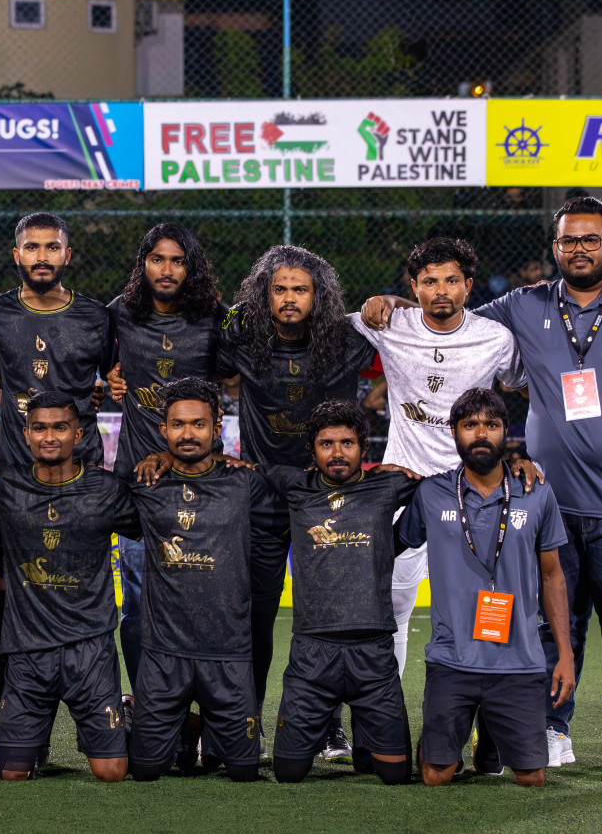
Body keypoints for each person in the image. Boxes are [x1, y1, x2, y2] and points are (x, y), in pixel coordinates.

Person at [365, 195, 602, 771]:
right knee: (545, 620)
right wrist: (397, 303)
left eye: (591, 239)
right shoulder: (524, 304)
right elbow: (449, 317)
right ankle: (552, 726)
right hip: (547, 501)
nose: (579, 249)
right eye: (568, 240)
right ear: (555, 247)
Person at [214, 245, 374, 760]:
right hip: (261, 498)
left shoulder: (347, 340)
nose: (288, 298)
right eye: (278, 289)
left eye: (299, 289)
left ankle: (327, 725)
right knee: (255, 618)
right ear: (264, 294)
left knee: (328, 616)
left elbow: (412, 328)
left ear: (318, 295)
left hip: (326, 498)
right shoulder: (243, 337)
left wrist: (389, 299)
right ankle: (247, 721)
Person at [348, 236, 523, 676]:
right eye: (429, 281)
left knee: (482, 617)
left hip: (473, 495)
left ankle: (485, 733)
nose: (440, 290)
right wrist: (378, 301)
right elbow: (317, 330)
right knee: (391, 617)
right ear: (414, 285)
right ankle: (385, 729)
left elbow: (528, 385)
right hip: (403, 491)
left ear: (468, 286)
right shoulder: (389, 324)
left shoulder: (495, 338)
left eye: (451, 280)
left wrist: (530, 452)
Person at [396, 389, 576, 787]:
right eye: (470, 425)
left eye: (491, 425)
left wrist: (564, 654)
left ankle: (488, 734)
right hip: (451, 657)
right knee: (434, 776)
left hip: (518, 660)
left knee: (532, 779)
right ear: (455, 433)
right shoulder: (432, 493)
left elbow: (553, 576)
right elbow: (391, 543)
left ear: (505, 432)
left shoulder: (535, 491)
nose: (481, 433)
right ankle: (463, 731)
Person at [0, 212, 116, 716]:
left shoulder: (96, 316)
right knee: (10, 585)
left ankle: (100, 704)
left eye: (51, 248)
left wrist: (107, 385)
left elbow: (117, 373)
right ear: (17, 255)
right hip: (17, 473)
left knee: (85, 582)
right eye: (31, 248)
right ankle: (1, 709)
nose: (41, 257)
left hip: (85, 474)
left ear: (66, 256)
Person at [127, 378, 289, 783]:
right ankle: (179, 725)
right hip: (165, 652)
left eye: (198, 424)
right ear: (162, 431)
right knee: (145, 771)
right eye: (178, 425)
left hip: (229, 652)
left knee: (244, 772)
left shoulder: (244, 483)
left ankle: (205, 728)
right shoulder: (146, 483)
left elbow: (291, 521)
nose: (188, 434)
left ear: (217, 428)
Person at [0, 391, 141, 782]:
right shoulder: (3, 487)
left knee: (111, 773)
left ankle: (136, 719)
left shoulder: (106, 490)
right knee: (11, 774)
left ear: (79, 433)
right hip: (28, 651)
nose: (49, 436)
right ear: (26, 434)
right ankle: (29, 738)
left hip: (90, 650)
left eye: (59, 427)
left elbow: (154, 524)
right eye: (39, 428)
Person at [261, 400, 419, 785]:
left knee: (394, 775)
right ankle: (325, 732)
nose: (337, 453)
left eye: (347, 443)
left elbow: (445, 489)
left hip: (373, 652)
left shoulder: (388, 484)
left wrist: (396, 539)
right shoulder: (294, 485)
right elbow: (239, 472)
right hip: (313, 654)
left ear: (364, 448)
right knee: (289, 772)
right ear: (312, 451)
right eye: (326, 443)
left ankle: (366, 740)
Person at [104, 222, 224, 693]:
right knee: (136, 604)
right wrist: (105, 380)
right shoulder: (118, 314)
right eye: (157, 258)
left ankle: (202, 707)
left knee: (201, 600)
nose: (167, 269)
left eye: (178, 260)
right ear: (143, 264)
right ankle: (144, 700)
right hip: (138, 487)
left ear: (190, 267)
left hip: (202, 485)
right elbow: (85, 368)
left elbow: (238, 373)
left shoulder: (216, 317)